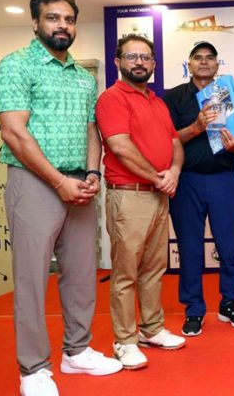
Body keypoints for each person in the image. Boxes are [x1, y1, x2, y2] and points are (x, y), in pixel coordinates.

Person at [0, 0, 121, 396]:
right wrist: (58, 182)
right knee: (31, 279)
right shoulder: (16, 66)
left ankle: (76, 351)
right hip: (34, 184)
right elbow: (15, 132)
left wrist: (92, 172)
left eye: (68, 19)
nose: (62, 25)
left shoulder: (83, 76)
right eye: (52, 18)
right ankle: (33, 369)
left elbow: (90, 131)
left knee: (81, 274)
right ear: (35, 23)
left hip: (79, 182)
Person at [95, 34, 186, 370]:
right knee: (125, 274)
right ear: (118, 61)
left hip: (159, 194)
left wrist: (173, 171)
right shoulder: (112, 98)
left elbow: (175, 142)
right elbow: (119, 146)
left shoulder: (157, 101)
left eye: (145, 57)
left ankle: (152, 329)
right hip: (129, 195)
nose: (139, 62)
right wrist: (157, 176)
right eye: (131, 56)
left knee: (153, 269)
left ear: (154, 64)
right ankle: (125, 340)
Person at [163, 41, 234, 336]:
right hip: (186, 179)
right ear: (189, 64)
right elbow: (168, 139)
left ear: (217, 65)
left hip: (224, 177)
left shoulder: (231, 93)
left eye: (209, 58)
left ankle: (230, 303)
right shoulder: (173, 97)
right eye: (197, 58)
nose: (203, 63)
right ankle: (194, 309)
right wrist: (196, 126)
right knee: (189, 247)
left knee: (229, 245)